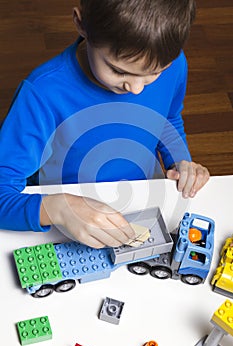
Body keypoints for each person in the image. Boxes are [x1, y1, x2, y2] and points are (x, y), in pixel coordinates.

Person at [0, 0, 209, 248]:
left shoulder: (170, 61)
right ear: (81, 24)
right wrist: (58, 209)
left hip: (144, 198)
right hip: (68, 218)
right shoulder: (42, 94)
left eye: (155, 73)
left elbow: (168, 118)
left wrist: (180, 162)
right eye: (118, 71)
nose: (136, 88)